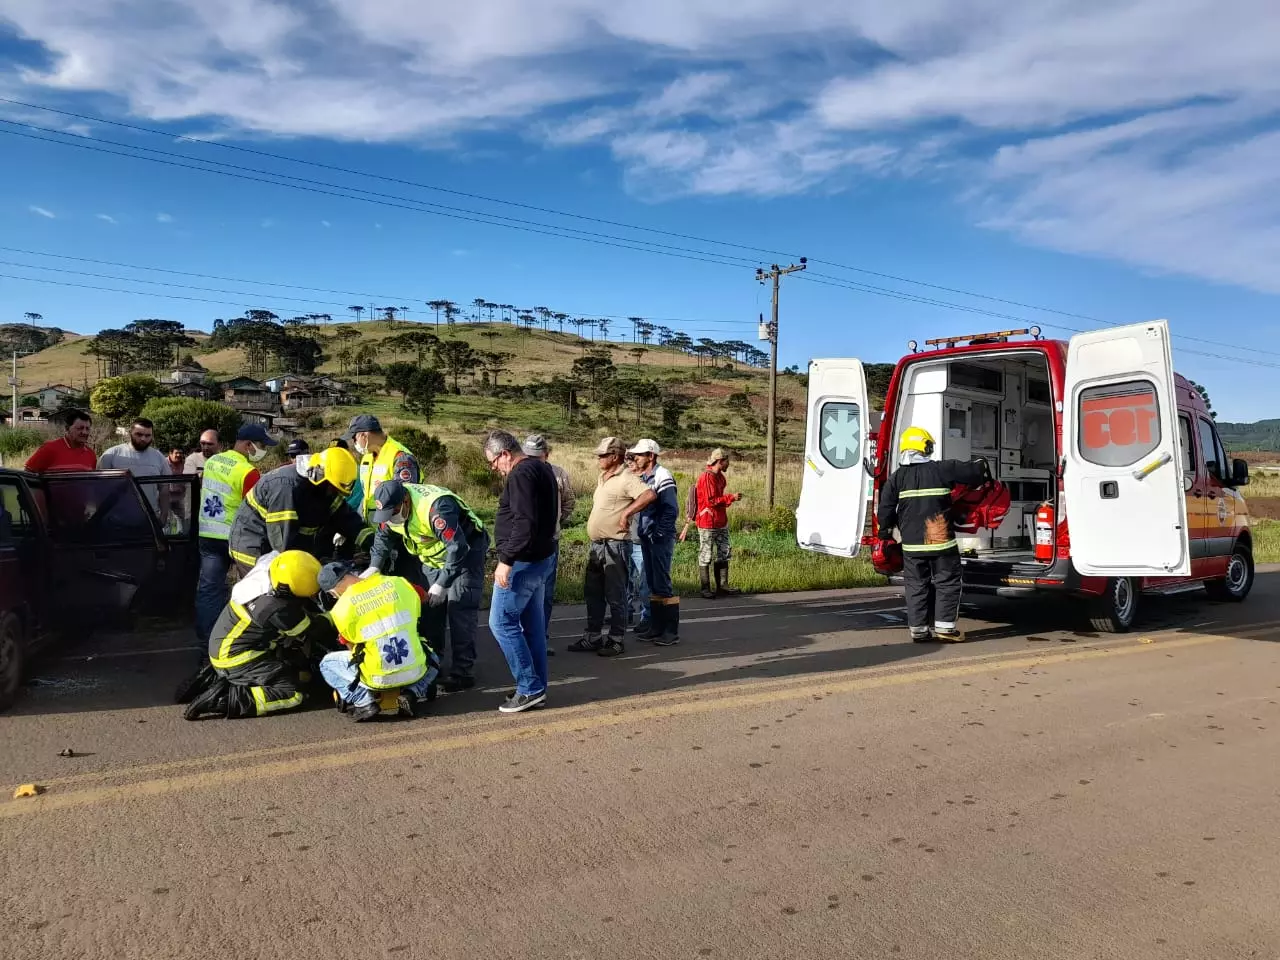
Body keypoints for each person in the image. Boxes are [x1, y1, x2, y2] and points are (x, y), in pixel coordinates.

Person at [367, 479, 489, 694]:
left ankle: (463, 673)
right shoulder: (390, 509)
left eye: (393, 512)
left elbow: (457, 547)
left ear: (405, 501)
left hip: (466, 553)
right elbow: (382, 538)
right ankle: (434, 663)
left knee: (459, 607)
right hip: (432, 558)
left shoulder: (436, 509)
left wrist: (443, 583)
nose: (390, 518)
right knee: (430, 608)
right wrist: (374, 567)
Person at [182, 550, 326, 720]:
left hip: (225, 644)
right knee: (292, 693)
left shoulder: (270, 566)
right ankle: (224, 699)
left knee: (296, 664)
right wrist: (334, 614)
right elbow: (313, 628)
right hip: (237, 657)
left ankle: (221, 679)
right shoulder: (276, 608)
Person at [877, 426, 987, 643]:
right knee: (947, 582)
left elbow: (885, 511)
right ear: (925, 447)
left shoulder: (896, 478)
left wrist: (885, 533)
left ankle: (918, 630)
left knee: (916, 585)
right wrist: (981, 463)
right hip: (940, 542)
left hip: (912, 546)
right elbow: (974, 473)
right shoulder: (942, 469)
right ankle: (945, 628)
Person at [485, 430, 558, 713]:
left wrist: (506, 559)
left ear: (505, 454)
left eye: (494, 463)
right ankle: (536, 685)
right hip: (541, 557)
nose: (495, 469)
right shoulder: (541, 467)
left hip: (524, 562)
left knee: (501, 623)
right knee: (532, 627)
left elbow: (524, 522)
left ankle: (529, 687)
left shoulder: (521, 474)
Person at [317, 562, 440, 722]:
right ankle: (412, 693)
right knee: (434, 658)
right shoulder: (398, 583)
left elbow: (351, 647)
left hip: (376, 678)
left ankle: (364, 702)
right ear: (352, 574)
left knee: (326, 664)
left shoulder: (341, 608)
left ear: (333, 591)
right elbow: (423, 597)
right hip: (414, 669)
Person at [570, 437, 656, 658]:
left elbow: (649, 494)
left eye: (603, 455)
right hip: (598, 544)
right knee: (593, 593)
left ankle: (616, 640)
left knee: (615, 594)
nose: (599, 458)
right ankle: (593, 636)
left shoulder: (626, 477)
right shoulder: (603, 477)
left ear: (615, 456)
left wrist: (627, 513)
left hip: (616, 544)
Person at [227, 445, 370, 575]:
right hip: (255, 549)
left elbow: (346, 518)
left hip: (281, 547)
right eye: (332, 488)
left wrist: (373, 543)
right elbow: (282, 543)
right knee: (272, 593)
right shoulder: (286, 488)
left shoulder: (325, 487)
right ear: (319, 474)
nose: (333, 493)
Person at [193, 425, 273, 646]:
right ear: (249, 445)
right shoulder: (248, 472)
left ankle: (206, 644)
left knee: (209, 589)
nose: (263, 450)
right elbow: (257, 509)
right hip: (236, 538)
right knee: (251, 587)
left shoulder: (212, 462)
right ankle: (245, 639)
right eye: (262, 446)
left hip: (208, 533)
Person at [521, 434, 575, 651]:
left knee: (546, 592)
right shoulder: (521, 473)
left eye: (538, 456)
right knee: (523, 592)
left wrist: (554, 523)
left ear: (547, 454)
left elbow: (569, 502)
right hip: (524, 543)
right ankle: (522, 636)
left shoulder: (558, 474)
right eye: (528, 456)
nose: (533, 460)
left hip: (550, 542)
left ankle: (540, 637)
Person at [628, 439, 681, 646]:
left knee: (662, 583)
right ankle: (656, 627)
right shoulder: (645, 476)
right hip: (647, 536)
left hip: (658, 538)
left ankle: (670, 630)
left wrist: (659, 533)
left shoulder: (662, 476)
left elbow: (670, 509)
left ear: (651, 456)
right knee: (652, 583)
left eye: (640, 455)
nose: (636, 458)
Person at [681, 448, 743, 599]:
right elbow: (711, 501)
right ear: (720, 461)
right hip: (708, 521)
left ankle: (723, 586)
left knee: (724, 552)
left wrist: (728, 499)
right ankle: (705, 588)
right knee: (706, 554)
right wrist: (731, 498)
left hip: (720, 520)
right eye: (727, 461)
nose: (728, 464)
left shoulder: (720, 477)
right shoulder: (707, 478)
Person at [345, 414, 420, 522]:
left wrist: (386, 534)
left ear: (364, 435)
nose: (354, 443)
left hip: (391, 527)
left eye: (354, 438)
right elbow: (366, 495)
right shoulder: (367, 457)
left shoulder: (400, 457)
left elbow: (403, 502)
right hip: (370, 525)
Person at [98, 417, 173, 518]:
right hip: (116, 518)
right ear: (130, 433)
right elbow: (99, 489)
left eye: (147, 435)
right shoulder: (111, 455)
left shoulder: (159, 457)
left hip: (149, 517)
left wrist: (164, 515)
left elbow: (164, 489)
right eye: (139, 434)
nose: (143, 439)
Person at [25, 408, 96, 472]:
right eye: (80, 428)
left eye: (87, 429)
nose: (84, 432)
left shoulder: (91, 454)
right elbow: (27, 474)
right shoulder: (49, 449)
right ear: (67, 428)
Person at [623, 457, 649, 633]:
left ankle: (646, 617)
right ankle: (626, 612)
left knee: (644, 581)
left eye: (633, 462)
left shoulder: (646, 483)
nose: (630, 466)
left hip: (640, 539)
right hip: (626, 538)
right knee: (626, 580)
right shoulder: (624, 482)